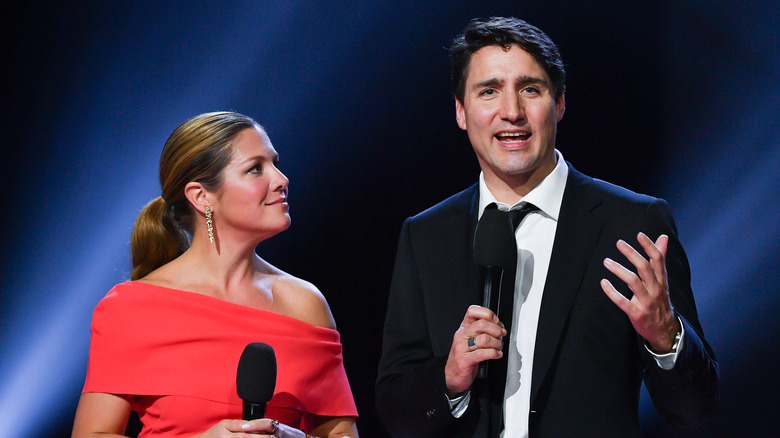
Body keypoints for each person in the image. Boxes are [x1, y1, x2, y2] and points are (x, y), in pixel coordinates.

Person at [376, 17, 718, 437]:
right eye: (489, 91)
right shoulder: (425, 235)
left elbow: (695, 409)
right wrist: (449, 379)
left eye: (530, 89)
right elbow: (396, 411)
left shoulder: (631, 223)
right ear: (461, 112)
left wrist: (665, 337)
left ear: (558, 103)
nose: (512, 112)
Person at [72, 111, 359, 438]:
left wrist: (288, 436)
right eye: (255, 169)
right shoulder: (131, 308)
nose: (281, 179)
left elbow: (341, 434)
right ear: (201, 196)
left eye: (275, 163)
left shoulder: (305, 304)